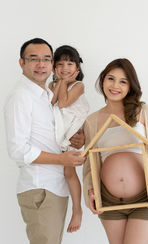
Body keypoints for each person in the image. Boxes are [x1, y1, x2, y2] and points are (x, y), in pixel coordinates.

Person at [4, 38, 85, 244]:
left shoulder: (46, 95)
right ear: (22, 63)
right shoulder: (21, 97)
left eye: (46, 59)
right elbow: (18, 150)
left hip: (56, 186)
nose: (41, 64)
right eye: (33, 59)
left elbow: (56, 133)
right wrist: (62, 158)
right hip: (39, 187)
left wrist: (76, 138)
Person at [83, 58, 148, 244]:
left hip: (144, 198)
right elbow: (89, 164)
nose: (115, 85)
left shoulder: (143, 112)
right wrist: (90, 191)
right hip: (109, 200)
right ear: (102, 80)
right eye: (111, 78)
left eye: (123, 81)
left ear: (130, 86)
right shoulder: (92, 121)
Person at [49, 45, 89, 232]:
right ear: (54, 68)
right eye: (60, 64)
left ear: (77, 69)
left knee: (69, 173)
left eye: (70, 63)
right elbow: (51, 104)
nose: (65, 67)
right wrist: (58, 83)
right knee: (60, 172)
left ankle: (77, 210)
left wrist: (63, 83)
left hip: (71, 129)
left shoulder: (78, 85)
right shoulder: (51, 85)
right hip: (58, 130)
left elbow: (63, 103)